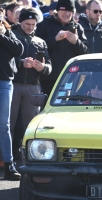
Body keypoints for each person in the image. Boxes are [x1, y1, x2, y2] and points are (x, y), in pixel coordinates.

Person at [10, 7, 52, 161]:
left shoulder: (40, 41)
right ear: (20, 22)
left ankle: (29, 156)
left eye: (33, 24)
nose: (30, 27)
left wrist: (44, 68)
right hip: (13, 84)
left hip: (33, 85)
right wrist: (21, 63)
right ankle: (7, 156)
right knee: (9, 123)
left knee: (31, 124)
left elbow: (49, 66)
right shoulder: (12, 37)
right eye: (27, 23)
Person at [35, 0, 89, 97]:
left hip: (72, 77)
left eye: (70, 11)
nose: (67, 14)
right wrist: (54, 39)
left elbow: (86, 52)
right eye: (64, 11)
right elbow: (36, 48)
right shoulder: (45, 25)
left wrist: (76, 42)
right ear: (58, 11)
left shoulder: (78, 27)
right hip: (49, 78)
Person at [0, 7, 24, 180]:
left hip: (4, 82)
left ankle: (9, 164)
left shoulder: (8, 32)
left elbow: (19, 50)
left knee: (4, 125)